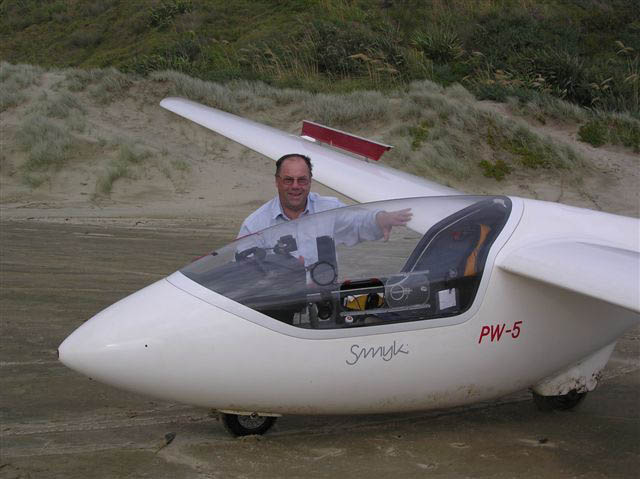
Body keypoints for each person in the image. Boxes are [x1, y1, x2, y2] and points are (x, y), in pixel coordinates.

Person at [238, 153, 411, 240]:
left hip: (324, 297)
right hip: (277, 299)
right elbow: (241, 273)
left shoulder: (328, 209)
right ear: (277, 181)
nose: (296, 186)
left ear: (310, 181)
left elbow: (358, 222)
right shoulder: (254, 226)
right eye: (288, 180)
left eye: (302, 180)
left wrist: (380, 219)